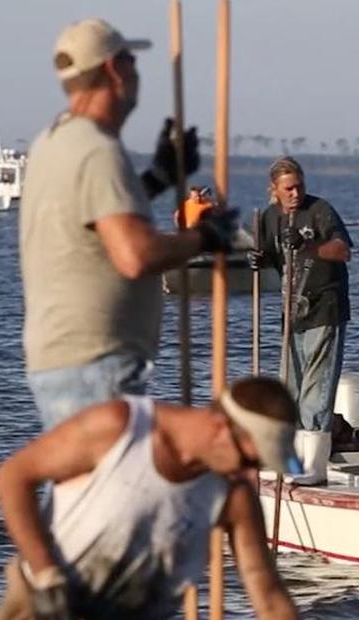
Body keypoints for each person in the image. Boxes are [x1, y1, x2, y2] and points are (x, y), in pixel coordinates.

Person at [20, 18, 237, 431]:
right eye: (132, 62)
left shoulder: (53, 142)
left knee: (90, 489)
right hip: (96, 360)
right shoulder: (97, 150)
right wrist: (207, 236)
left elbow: (99, 216)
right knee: (106, 488)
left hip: (65, 356)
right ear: (113, 69)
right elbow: (135, 255)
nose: (137, 73)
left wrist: (159, 176)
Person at [0, 376, 310, 620]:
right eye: (249, 460)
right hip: (47, 610)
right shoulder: (118, 428)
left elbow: (269, 599)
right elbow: (12, 477)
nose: (250, 474)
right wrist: (45, 574)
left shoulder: (234, 495)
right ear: (221, 428)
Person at [249, 156, 353, 485]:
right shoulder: (268, 217)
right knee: (290, 389)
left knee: (316, 389)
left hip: (325, 306)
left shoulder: (319, 210)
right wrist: (256, 258)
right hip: (292, 312)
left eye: (299, 186)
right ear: (275, 190)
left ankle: (316, 466)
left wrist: (309, 245)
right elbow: (267, 255)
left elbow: (343, 250)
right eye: (288, 188)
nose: (295, 193)